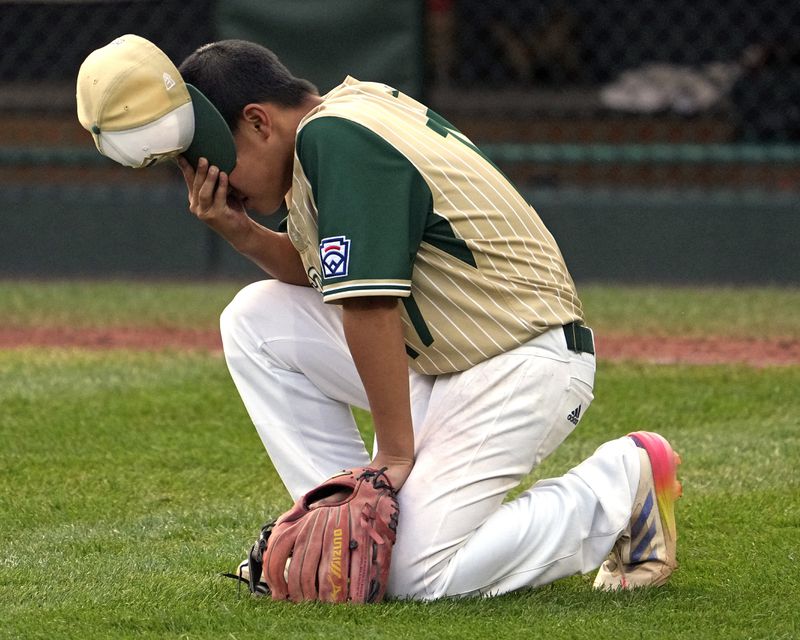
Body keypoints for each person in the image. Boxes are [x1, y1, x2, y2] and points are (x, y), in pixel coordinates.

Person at [80, 36, 681, 600]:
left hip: (519, 360)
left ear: (259, 121)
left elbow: (369, 303)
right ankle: (335, 528)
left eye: (217, 163)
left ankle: (619, 485)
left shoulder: (337, 139)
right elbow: (327, 277)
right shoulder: (338, 119)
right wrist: (238, 230)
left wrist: (393, 457)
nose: (217, 184)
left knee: (416, 574)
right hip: (447, 355)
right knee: (254, 320)